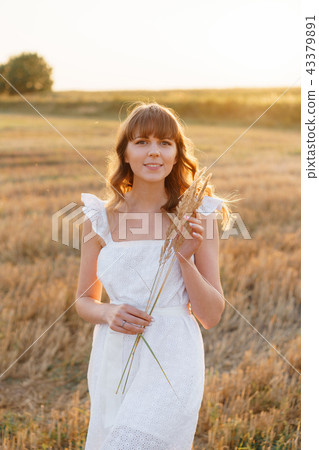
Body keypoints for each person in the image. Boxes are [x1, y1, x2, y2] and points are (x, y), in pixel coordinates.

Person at [76, 102, 230, 449]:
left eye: (165, 142)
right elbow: (84, 300)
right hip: (115, 355)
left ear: (177, 154)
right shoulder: (99, 218)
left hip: (174, 356)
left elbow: (211, 314)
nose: (154, 152)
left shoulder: (198, 216)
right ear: (125, 154)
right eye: (142, 141)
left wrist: (184, 257)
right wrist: (108, 312)